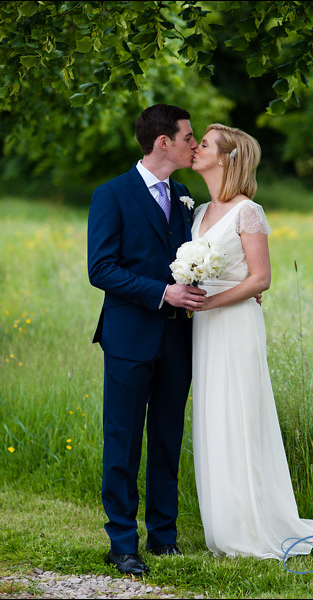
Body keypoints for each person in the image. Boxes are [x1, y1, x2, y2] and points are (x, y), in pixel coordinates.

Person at [188, 123, 313, 558]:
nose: (195, 148)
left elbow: (262, 278)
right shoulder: (200, 210)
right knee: (213, 416)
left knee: (239, 416)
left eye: (203, 144)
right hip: (205, 328)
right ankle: (223, 522)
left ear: (226, 158)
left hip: (234, 324)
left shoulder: (249, 211)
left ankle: (252, 524)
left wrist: (211, 302)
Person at [87, 104, 208, 575]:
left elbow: (197, 262)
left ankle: (163, 537)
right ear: (163, 142)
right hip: (128, 337)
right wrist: (162, 293)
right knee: (122, 440)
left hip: (178, 340)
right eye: (188, 137)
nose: (193, 144)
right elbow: (101, 269)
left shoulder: (184, 198)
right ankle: (122, 542)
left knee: (166, 439)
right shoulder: (111, 194)